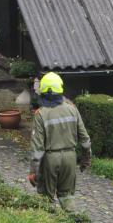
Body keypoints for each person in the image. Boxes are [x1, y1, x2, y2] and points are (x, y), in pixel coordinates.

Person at [27, 72, 91, 211]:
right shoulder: (72, 109)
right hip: (70, 158)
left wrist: (33, 171)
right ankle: (74, 221)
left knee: (45, 199)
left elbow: (38, 148)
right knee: (67, 196)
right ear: (60, 89)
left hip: (50, 160)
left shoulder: (41, 114)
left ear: (43, 92)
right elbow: (85, 139)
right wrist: (86, 159)